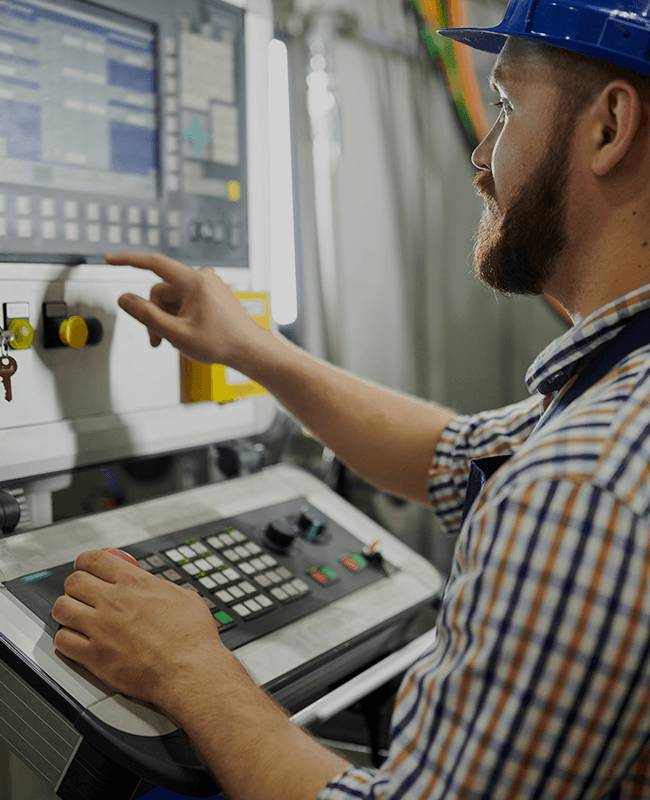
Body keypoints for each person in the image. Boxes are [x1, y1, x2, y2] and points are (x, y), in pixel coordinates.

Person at [52, 0, 650, 797]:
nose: (481, 157)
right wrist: (254, 348)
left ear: (609, 126)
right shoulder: (614, 396)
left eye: (505, 108)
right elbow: (455, 454)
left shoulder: (582, 485)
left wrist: (190, 666)